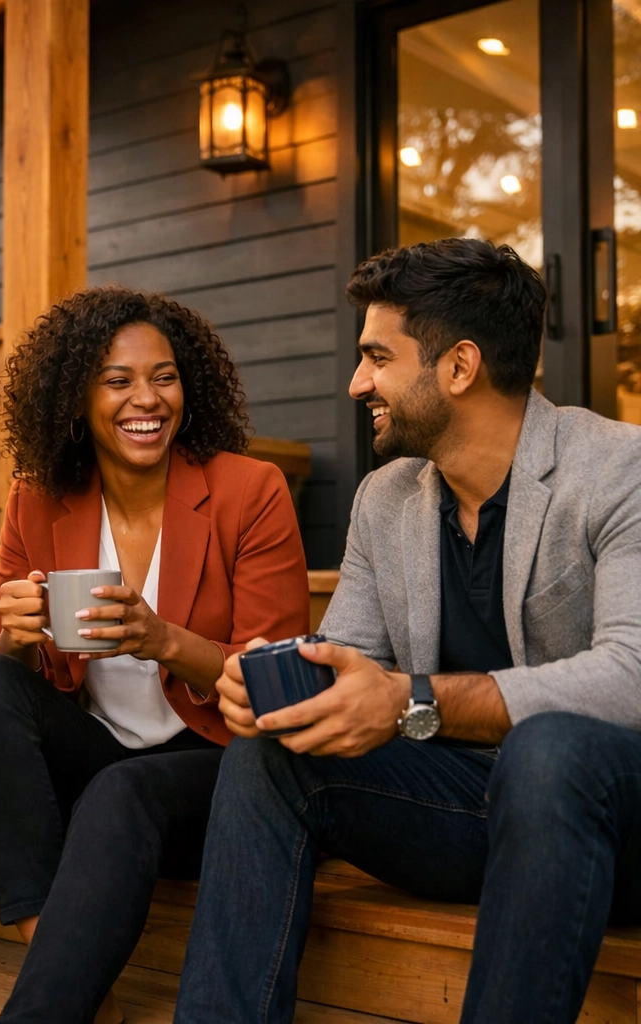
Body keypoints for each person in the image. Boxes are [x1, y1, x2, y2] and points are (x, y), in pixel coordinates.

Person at [173, 238, 641, 1024]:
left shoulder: (618, 468)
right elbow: (352, 665)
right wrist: (280, 685)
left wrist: (410, 699)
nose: (357, 382)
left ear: (458, 367)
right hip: (470, 812)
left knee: (549, 747)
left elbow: (631, 677)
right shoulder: (386, 498)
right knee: (274, 750)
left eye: (376, 357)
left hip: (611, 823)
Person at [0, 286, 309, 1024]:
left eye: (164, 377)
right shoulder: (39, 497)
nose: (147, 398)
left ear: (188, 385)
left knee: (125, 794)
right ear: (75, 397)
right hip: (102, 764)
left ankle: (48, 1001)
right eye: (118, 381)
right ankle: (67, 962)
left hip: (222, 774)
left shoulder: (250, 491)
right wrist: (14, 635)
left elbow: (278, 681)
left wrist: (162, 639)